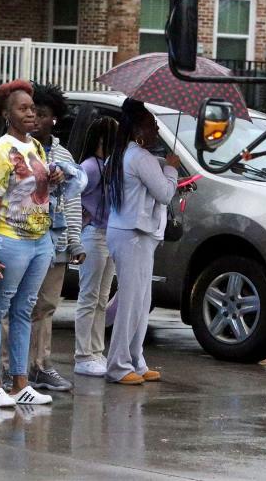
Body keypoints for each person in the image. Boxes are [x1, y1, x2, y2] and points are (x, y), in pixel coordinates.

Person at [0, 80, 61, 407]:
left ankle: (20, 383)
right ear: (7, 114)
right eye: (23, 109)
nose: (31, 114)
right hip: (9, 240)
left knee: (24, 310)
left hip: (38, 240)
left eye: (33, 109)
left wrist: (53, 179)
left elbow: (36, 194)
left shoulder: (36, 148)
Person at [104, 99, 179, 385]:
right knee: (132, 302)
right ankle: (118, 365)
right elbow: (164, 194)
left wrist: (163, 165)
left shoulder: (123, 154)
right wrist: (171, 169)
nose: (157, 129)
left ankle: (136, 358)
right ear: (138, 129)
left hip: (131, 233)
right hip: (133, 235)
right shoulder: (140, 157)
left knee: (141, 299)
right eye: (151, 124)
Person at [26, 82, 86, 392]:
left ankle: (41, 365)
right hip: (24, 239)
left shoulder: (64, 154)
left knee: (47, 305)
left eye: (43, 113)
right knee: (18, 304)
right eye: (31, 111)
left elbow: (73, 201)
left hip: (56, 241)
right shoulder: (17, 148)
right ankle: (12, 368)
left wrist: (74, 241)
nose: (35, 118)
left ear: (54, 118)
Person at [74, 116, 118, 377]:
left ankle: (96, 351)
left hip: (109, 235)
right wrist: (81, 220)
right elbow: (72, 194)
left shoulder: (109, 166)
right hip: (93, 235)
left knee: (102, 299)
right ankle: (82, 355)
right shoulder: (90, 167)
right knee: (89, 297)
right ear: (102, 140)